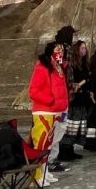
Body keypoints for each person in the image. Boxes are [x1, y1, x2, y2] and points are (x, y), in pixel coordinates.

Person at [27, 41, 69, 181]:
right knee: (40, 144)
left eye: (62, 49)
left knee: (48, 145)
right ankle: (37, 174)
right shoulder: (42, 67)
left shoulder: (59, 67)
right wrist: (50, 100)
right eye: (58, 49)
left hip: (56, 111)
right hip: (44, 111)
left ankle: (44, 171)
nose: (60, 52)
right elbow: (33, 91)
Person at [58, 39, 90, 160]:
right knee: (70, 124)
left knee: (77, 126)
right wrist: (74, 86)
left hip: (82, 98)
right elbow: (69, 79)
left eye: (85, 48)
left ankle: (70, 148)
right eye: (82, 48)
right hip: (74, 99)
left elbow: (87, 77)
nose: (84, 50)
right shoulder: (72, 64)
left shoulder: (84, 64)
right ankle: (64, 149)